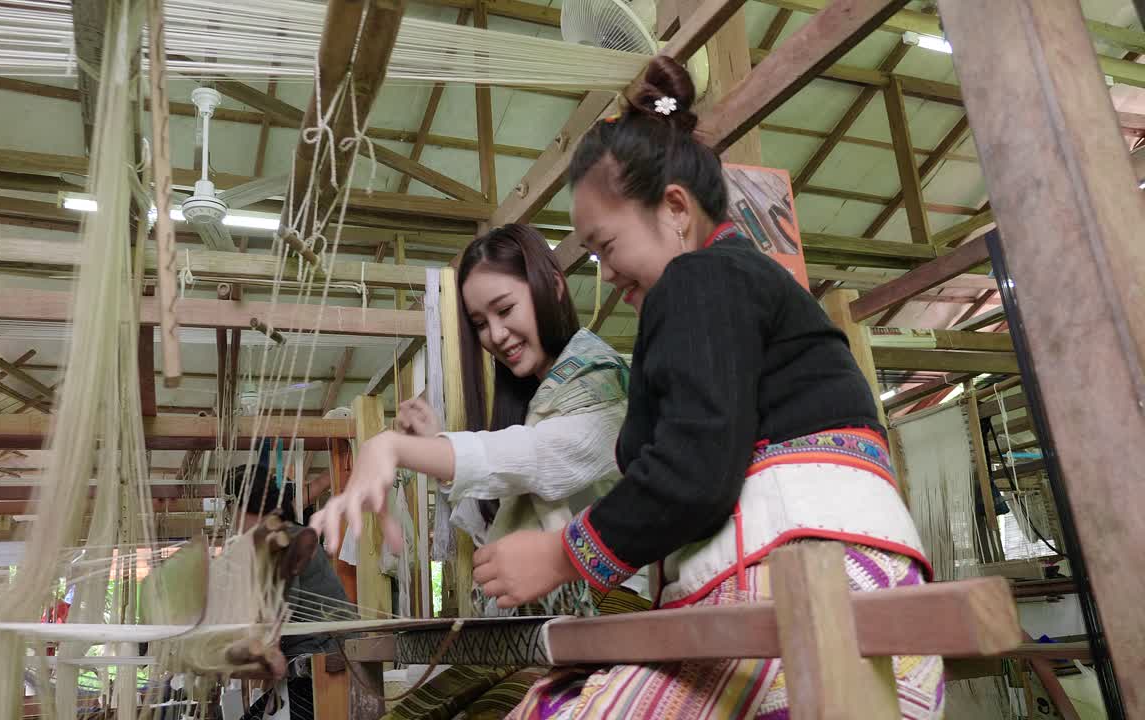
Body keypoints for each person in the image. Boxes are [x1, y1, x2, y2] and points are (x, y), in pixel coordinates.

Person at [469, 57, 943, 719]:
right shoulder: (740, 285)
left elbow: (693, 469)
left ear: (674, 209)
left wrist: (562, 553)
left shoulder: (696, 281)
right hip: (871, 607)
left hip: (810, 594)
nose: (605, 275)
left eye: (605, 246)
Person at [310, 224, 649, 718]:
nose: (495, 335)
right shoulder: (535, 393)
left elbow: (542, 457)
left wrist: (398, 448)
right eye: (479, 323)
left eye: (505, 309)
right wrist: (430, 444)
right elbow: (498, 517)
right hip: (547, 621)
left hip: (611, 612)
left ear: (552, 285)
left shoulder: (597, 378)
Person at [226, 463, 356, 720]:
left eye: (231, 507)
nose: (230, 518)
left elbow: (272, 633)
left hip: (326, 668)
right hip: (310, 667)